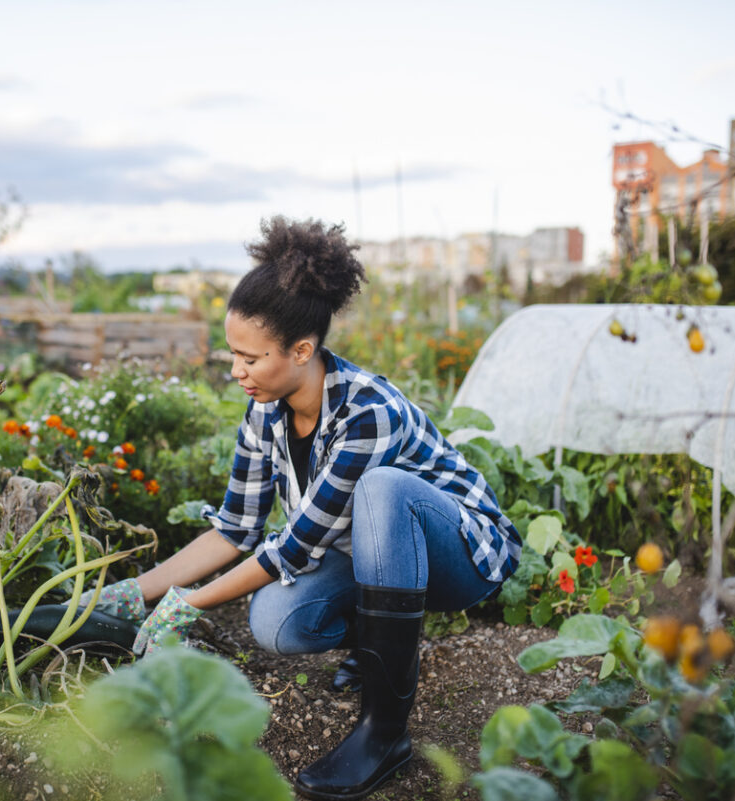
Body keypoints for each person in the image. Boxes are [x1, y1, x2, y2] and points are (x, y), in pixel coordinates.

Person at [91, 216, 521, 801]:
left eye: (250, 358)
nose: (236, 372)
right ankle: (380, 647)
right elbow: (235, 530)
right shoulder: (264, 412)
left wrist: (185, 605)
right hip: (369, 559)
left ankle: (384, 735)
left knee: (384, 489)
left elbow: (293, 548)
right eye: (232, 355)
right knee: (275, 622)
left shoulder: (367, 412)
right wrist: (136, 590)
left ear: (301, 349)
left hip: (462, 554)